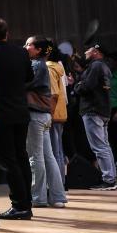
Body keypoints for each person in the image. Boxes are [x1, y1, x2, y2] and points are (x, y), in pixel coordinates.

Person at [0, 18, 35, 220]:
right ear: (7, 34)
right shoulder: (21, 53)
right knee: (21, 156)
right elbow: (29, 77)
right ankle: (27, 202)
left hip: (0, 114)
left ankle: (19, 205)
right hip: (21, 111)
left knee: (8, 161)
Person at [24, 38, 67, 208]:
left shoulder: (36, 65)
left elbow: (24, 85)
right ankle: (57, 197)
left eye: (29, 44)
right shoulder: (45, 65)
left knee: (36, 157)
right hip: (45, 115)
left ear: (39, 49)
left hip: (35, 114)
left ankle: (38, 198)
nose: (25, 47)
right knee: (48, 157)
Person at [75, 44, 117, 190]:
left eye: (88, 50)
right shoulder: (105, 67)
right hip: (103, 110)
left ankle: (108, 180)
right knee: (104, 146)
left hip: (93, 110)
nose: (85, 52)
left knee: (99, 147)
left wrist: (77, 85)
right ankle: (111, 178)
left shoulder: (95, 66)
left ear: (95, 52)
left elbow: (86, 87)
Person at [47, 47, 70, 182]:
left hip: (53, 114)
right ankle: (61, 182)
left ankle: (57, 184)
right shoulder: (59, 67)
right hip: (61, 112)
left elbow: (53, 94)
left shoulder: (49, 68)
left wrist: (49, 115)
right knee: (59, 151)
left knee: (54, 152)